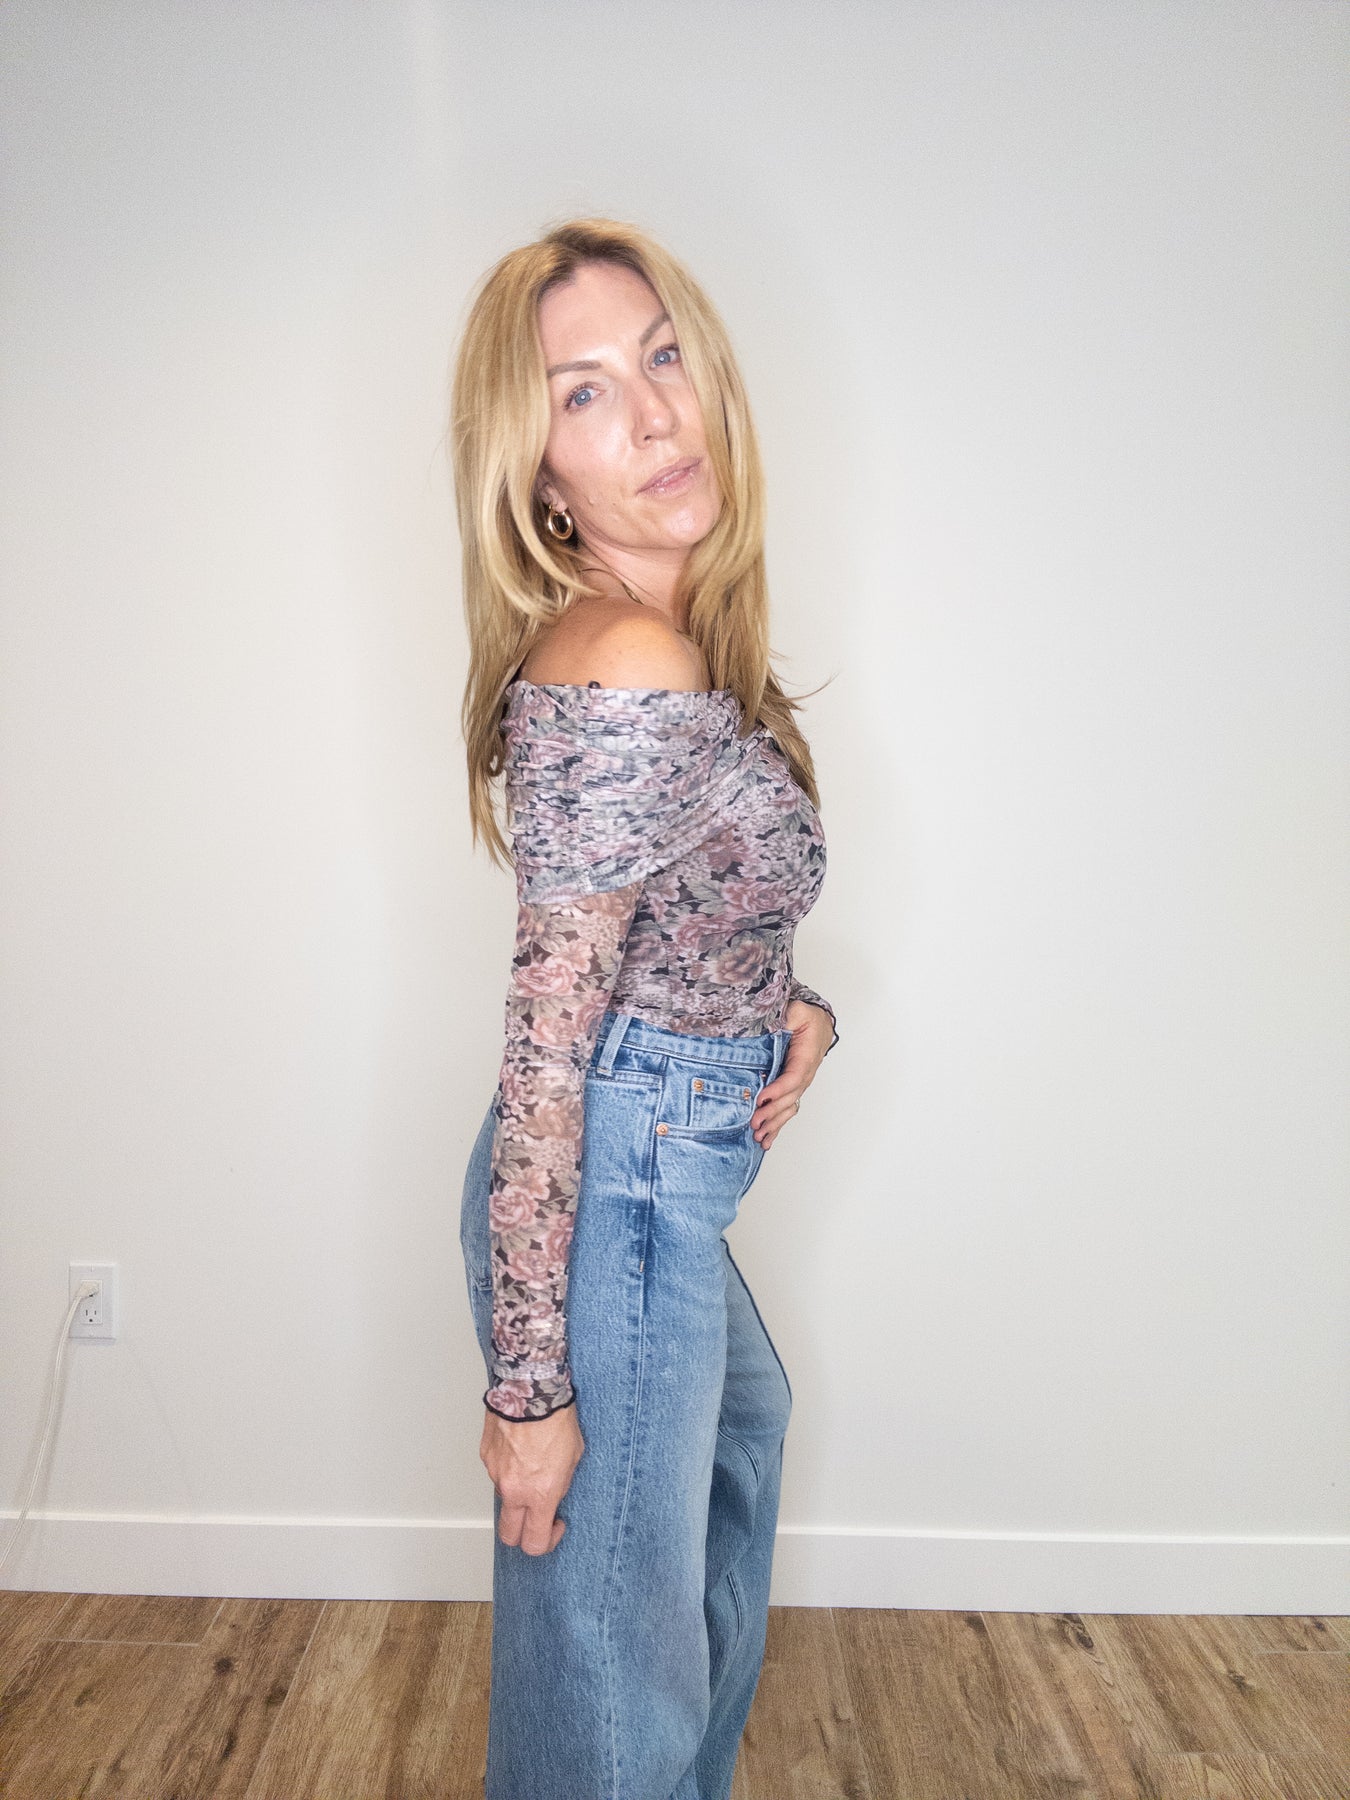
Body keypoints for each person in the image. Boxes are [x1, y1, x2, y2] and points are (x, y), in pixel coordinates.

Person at [451, 217, 839, 1800]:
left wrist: (788, 1010)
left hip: (651, 1148)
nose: (658, 413)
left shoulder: (669, 647)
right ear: (540, 475)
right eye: (585, 391)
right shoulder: (628, 661)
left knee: (738, 1453)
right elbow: (548, 1051)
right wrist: (528, 1390)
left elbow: (673, 918)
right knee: (613, 1663)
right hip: (612, 1175)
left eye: (661, 356)